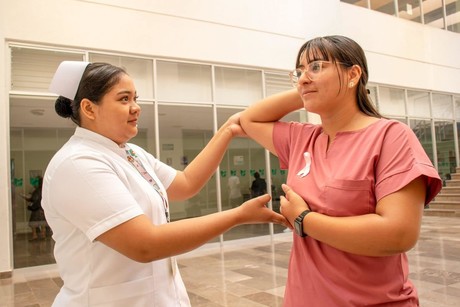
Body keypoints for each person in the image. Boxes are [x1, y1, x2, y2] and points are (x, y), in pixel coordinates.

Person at [42, 61, 289, 306]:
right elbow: (145, 244)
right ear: (89, 108)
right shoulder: (78, 163)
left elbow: (186, 183)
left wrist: (227, 130)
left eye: (135, 98)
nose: (136, 108)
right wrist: (238, 216)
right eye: (124, 99)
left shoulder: (130, 153)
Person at [240, 35, 442, 306]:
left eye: (316, 67)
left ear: (353, 73)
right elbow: (249, 119)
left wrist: (303, 219)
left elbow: (399, 233)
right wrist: (309, 88)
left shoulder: (390, 136)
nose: (302, 77)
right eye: (298, 71)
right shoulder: (302, 139)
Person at [22, 176, 48, 240]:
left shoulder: (37, 191)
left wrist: (26, 198)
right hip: (43, 209)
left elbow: (33, 199)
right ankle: (43, 235)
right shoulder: (45, 190)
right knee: (43, 223)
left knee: (33, 224)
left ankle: (34, 235)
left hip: (37, 209)